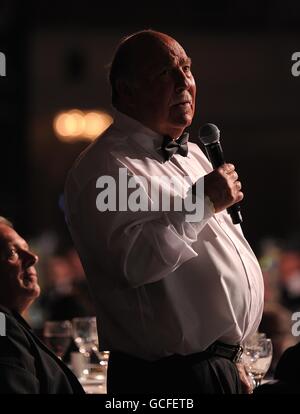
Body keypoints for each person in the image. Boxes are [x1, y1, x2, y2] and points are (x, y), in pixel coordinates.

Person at [64, 30, 264, 393]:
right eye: (165, 73)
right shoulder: (106, 166)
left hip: (218, 370)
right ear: (126, 90)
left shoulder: (195, 155)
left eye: (186, 69)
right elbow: (134, 262)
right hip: (166, 379)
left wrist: (232, 361)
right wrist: (202, 202)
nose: (183, 82)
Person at [0, 216, 85, 394]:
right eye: (13, 252)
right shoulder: (3, 328)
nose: (33, 258)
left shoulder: (10, 324)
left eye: (27, 249)